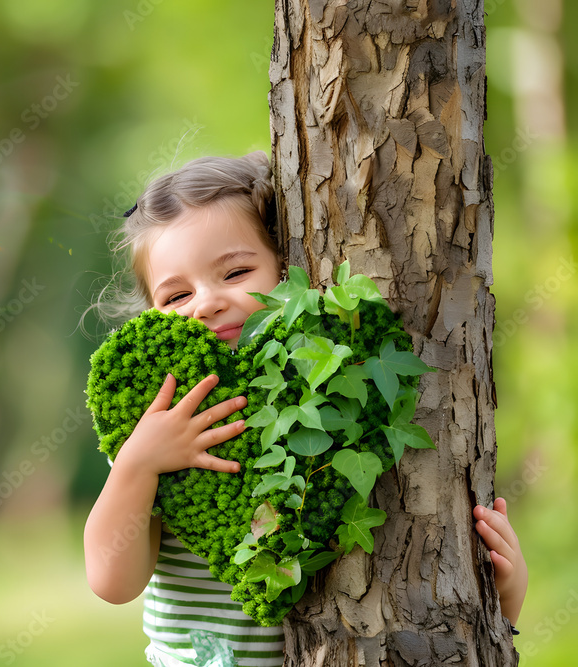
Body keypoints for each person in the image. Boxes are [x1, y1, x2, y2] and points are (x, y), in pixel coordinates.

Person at [83, 152, 528, 666]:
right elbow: (113, 583)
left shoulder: (326, 405)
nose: (205, 302)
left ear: (289, 270)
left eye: (236, 272)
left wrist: (507, 587)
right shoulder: (157, 424)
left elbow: (470, 623)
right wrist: (140, 462)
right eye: (177, 294)